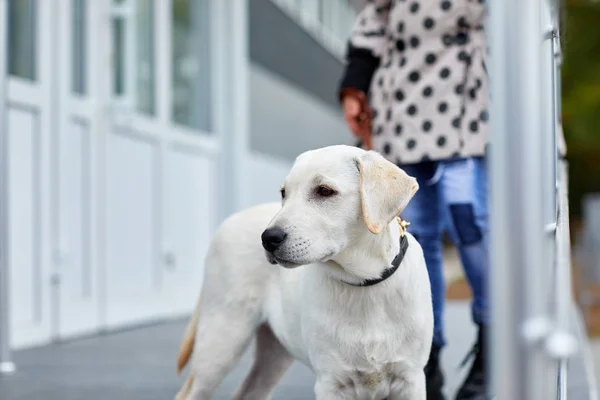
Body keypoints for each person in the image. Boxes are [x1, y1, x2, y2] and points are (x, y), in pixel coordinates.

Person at [338, 1, 490, 399]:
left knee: (468, 215)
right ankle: (428, 355)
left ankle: (494, 339)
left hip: (468, 90)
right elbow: (372, 19)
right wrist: (355, 84)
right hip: (401, 98)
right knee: (415, 229)